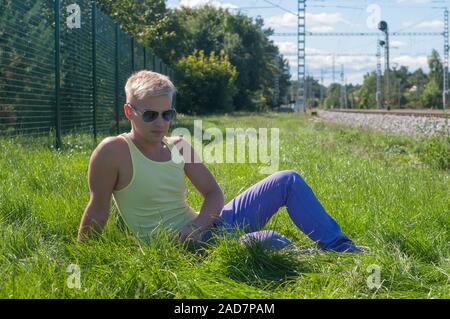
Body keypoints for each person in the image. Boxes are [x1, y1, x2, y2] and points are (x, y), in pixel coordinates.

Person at [77, 70, 362, 253]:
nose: (161, 123)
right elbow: (98, 212)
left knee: (287, 180)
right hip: (182, 247)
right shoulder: (113, 151)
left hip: (206, 229)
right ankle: (305, 256)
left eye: (168, 114)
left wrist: (199, 226)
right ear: (129, 111)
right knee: (272, 240)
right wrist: (82, 259)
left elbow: (213, 194)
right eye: (151, 115)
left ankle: (341, 249)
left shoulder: (178, 146)